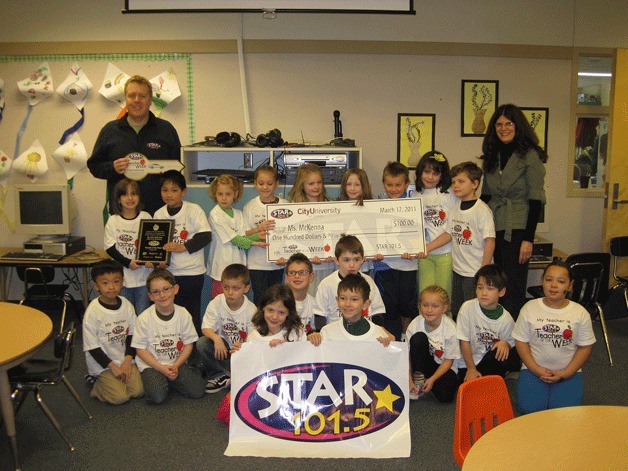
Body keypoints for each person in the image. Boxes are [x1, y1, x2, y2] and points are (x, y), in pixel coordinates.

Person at [480, 103, 547, 319]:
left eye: (509, 123)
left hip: (517, 227)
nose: (503, 128)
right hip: (494, 225)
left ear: (518, 126)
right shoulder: (492, 155)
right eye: (499, 124)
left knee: (513, 286)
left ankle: (514, 343)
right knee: (497, 284)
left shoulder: (529, 156)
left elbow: (536, 200)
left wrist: (528, 239)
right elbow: (486, 196)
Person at [88, 75, 182, 215]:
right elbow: (95, 166)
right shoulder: (110, 131)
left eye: (142, 96)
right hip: (122, 215)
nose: (137, 100)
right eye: (132, 96)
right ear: (125, 99)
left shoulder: (166, 130)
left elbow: (179, 168)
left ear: (150, 100)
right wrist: (112, 167)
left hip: (158, 212)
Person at [513, 260, 595, 414]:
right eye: (549, 280)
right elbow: (521, 342)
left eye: (561, 281)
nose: (554, 285)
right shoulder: (529, 308)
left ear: (570, 285)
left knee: (564, 414)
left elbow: (585, 347)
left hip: (568, 372)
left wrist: (566, 373)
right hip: (532, 370)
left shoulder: (580, 313)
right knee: (529, 410)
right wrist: (535, 369)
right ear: (542, 281)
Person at [429, 161, 495, 319]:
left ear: (475, 184)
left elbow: (490, 241)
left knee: (474, 314)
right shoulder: (455, 207)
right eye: (453, 182)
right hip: (457, 271)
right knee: (458, 312)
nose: (456, 185)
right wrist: (427, 247)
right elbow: (448, 234)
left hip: (475, 273)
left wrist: (483, 273)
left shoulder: (482, 210)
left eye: (461, 181)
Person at [131, 268, 205, 404]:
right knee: (157, 397)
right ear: (150, 296)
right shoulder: (143, 318)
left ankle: (170, 378)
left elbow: (189, 344)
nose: (162, 295)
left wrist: (176, 365)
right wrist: (161, 368)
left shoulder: (183, 314)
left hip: (177, 363)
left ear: (175, 289)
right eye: (156, 292)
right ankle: (162, 379)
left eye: (166, 289)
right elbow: (140, 350)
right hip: (152, 364)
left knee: (198, 391)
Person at [153, 170, 211, 333]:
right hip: (168, 273)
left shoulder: (194, 210)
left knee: (191, 313)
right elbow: (155, 243)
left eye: (174, 190)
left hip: (191, 273)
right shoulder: (158, 214)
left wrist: (182, 247)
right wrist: (159, 261)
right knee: (170, 312)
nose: (169, 194)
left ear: (183, 192)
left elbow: (205, 236)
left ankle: (193, 351)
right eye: (165, 190)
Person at [83, 260, 144, 405]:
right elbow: (92, 347)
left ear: (122, 282)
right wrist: (113, 367)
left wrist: (128, 361)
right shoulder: (93, 311)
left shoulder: (126, 305)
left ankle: (114, 382)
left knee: (138, 391)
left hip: (124, 359)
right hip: (104, 364)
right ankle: (97, 386)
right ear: (96, 286)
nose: (111, 287)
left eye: (116, 281)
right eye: (105, 283)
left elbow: (132, 335)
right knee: (120, 397)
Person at [374, 161, 419, 339]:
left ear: (407, 184)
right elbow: (372, 232)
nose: (393, 189)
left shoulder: (412, 206)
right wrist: (374, 251)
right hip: (384, 265)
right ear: (383, 183)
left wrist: (414, 248)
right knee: (388, 307)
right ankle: (392, 341)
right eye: (389, 184)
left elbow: (419, 232)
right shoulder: (376, 204)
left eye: (398, 185)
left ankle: (406, 339)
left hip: (408, 265)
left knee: (407, 306)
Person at [197, 264, 256, 394]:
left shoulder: (251, 310)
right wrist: (216, 338)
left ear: (246, 288)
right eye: (226, 287)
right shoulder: (216, 302)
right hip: (222, 348)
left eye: (236, 288)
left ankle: (233, 373)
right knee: (202, 343)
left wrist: (242, 347)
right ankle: (219, 375)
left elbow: (253, 340)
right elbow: (206, 328)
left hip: (242, 350)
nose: (230, 292)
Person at [456, 264, 520, 383]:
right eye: (480, 287)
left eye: (490, 288)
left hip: (487, 361)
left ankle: (494, 379)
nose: (484, 293)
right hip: (466, 364)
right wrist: (471, 369)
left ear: (501, 292)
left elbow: (513, 343)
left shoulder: (506, 319)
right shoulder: (467, 308)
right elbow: (464, 341)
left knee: (504, 351)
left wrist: (505, 343)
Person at [207, 174, 264, 300]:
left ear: (235, 194)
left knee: (238, 302)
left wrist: (258, 235)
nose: (223, 198)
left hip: (237, 264)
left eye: (228, 194)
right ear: (215, 194)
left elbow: (244, 234)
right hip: (221, 266)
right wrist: (256, 243)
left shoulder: (238, 214)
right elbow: (235, 239)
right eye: (220, 194)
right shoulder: (215, 214)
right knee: (221, 302)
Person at [313, 234, 386, 326]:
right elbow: (320, 314)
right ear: (336, 260)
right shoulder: (327, 283)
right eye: (346, 260)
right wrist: (321, 335)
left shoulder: (369, 281)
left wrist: (378, 333)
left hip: (365, 335)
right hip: (335, 336)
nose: (352, 265)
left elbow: (377, 312)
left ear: (363, 260)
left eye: (356, 259)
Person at [104, 178, 152, 315]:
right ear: (118, 199)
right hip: (123, 279)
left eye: (134, 194)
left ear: (139, 197)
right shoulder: (113, 220)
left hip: (143, 279)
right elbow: (110, 248)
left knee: (143, 315)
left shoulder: (146, 217)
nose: (130, 198)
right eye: (125, 194)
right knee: (126, 315)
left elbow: (152, 245)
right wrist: (128, 262)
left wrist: (151, 261)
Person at [414, 151, 457, 304]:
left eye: (435, 173)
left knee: (443, 300)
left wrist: (429, 247)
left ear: (442, 175)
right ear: (420, 171)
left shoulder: (449, 194)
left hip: (444, 255)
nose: (430, 177)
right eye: (426, 172)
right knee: (424, 298)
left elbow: (451, 231)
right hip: (424, 256)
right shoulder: (416, 194)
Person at [406, 285, 461, 403]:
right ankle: (419, 382)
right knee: (418, 338)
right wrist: (409, 379)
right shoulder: (415, 324)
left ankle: (429, 382)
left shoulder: (451, 329)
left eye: (435, 306)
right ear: (419, 306)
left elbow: (448, 361)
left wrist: (432, 379)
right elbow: (408, 355)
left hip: (443, 367)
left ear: (444, 308)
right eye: (425, 305)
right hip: (423, 364)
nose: (429, 310)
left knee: (445, 397)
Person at [243, 165, 287, 305]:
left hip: (277, 263)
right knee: (260, 300)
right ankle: (260, 327)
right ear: (255, 183)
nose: (265, 187)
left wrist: (285, 256)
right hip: (257, 264)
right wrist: (257, 230)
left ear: (277, 184)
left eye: (269, 183)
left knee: (276, 300)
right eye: (261, 183)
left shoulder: (285, 205)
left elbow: (290, 235)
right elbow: (244, 236)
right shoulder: (250, 207)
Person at [287, 163, 333, 294]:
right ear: (302, 185)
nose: (316, 187)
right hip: (301, 270)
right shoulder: (292, 209)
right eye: (311, 183)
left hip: (326, 265)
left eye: (319, 182)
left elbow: (335, 235)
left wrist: (332, 253)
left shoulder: (331, 206)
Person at [310, 274, 391, 346]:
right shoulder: (327, 332)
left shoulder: (379, 334)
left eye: (354, 299)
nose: (347, 304)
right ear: (337, 300)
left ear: (366, 304)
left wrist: (386, 346)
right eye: (343, 298)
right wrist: (312, 340)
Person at [284, 253, 321, 335]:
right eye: (292, 273)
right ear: (286, 278)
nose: (297, 276)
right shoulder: (278, 304)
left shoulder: (316, 305)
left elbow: (319, 332)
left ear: (311, 277)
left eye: (302, 272)